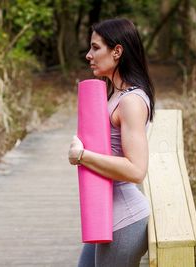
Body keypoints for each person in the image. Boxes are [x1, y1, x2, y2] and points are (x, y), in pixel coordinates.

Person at [68, 18, 155, 267]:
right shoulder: (114, 94)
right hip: (105, 213)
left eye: (96, 48)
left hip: (125, 220)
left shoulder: (131, 101)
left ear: (117, 51)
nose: (88, 55)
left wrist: (83, 155)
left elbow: (136, 170)